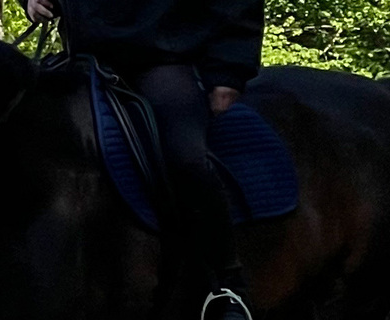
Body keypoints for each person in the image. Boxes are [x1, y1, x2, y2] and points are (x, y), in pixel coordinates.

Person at [28, 0, 261, 318]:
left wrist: (229, 68)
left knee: (185, 158)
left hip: (165, 61)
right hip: (78, 59)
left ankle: (227, 285)